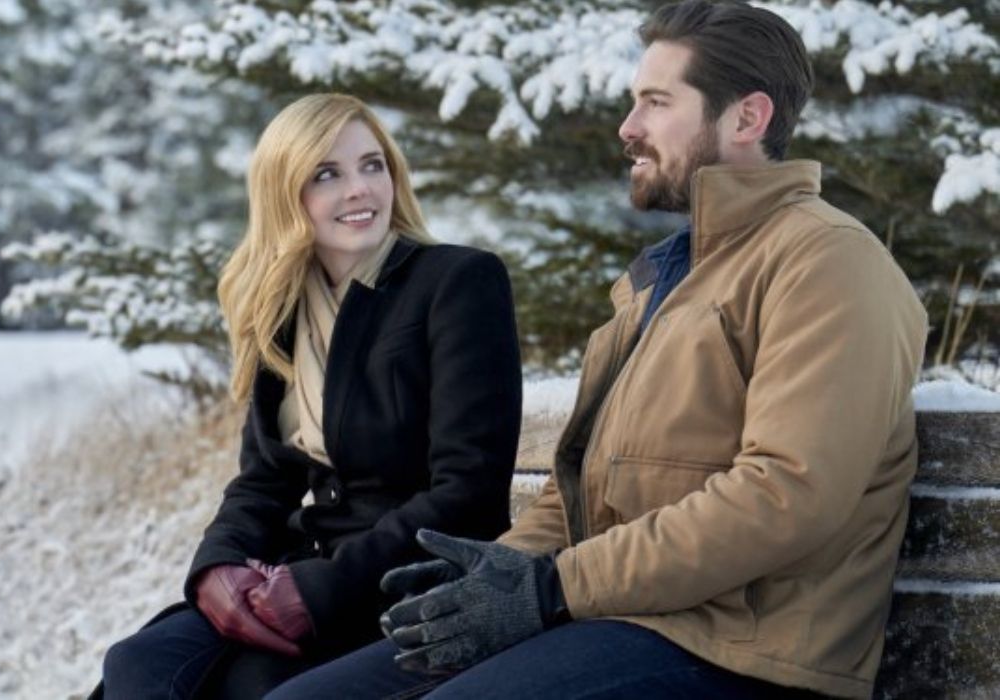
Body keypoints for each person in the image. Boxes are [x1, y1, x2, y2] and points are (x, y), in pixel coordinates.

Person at [268, 2, 927, 698]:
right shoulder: (663, 276)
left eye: (656, 102)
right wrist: (495, 577)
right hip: (619, 617)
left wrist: (555, 586)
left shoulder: (826, 261)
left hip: (742, 652)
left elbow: (785, 495)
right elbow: (576, 488)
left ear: (747, 118)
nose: (629, 127)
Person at [95, 93, 523, 699]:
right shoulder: (285, 303)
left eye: (373, 166)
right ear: (284, 195)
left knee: (248, 686)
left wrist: (320, 589)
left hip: (406, 579)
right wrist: (218, 566)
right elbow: (265, 479)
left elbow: (469, 492)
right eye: (328, 174)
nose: (360, 190)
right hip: (300, 568)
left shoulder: (456, 282)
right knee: (138, 664)